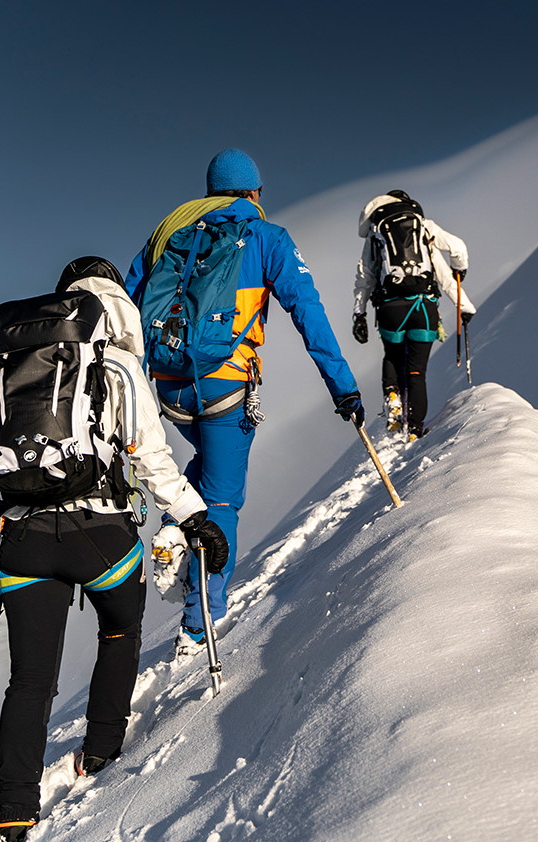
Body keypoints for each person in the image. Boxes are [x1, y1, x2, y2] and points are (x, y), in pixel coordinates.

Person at [0, 257, 229, 842]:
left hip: (23, 543)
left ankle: (12, 816)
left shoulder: (4, 369)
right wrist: (196, 518)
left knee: (29, 680)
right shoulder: (118, 365)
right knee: (120, 630)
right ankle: (103, 748)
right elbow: (151, 458)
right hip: (101, 535)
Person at [123, 148, 362, 650]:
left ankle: (173, 524)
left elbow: (127, 306)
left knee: (208, 466)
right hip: (225, 385)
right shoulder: (266, 237)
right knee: (224, 499)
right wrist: (342, 387)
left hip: (166, 388)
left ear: (211, 192)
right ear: (254, 192)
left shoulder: (169, 235)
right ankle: (198, 623)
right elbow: (308, 311)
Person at [351, 190, 475, 438]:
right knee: (417, 370)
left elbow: (365, 277)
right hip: (424, 307)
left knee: (393, 356)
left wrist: (359, 314)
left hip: (390, 308)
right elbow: (452, 259)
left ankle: (393, 396)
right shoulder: (424, 228)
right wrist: (465, 305)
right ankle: (415, 428)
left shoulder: (376, 235)